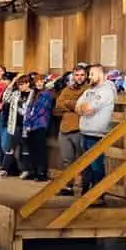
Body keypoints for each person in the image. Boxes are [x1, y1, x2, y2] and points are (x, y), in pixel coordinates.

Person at [75, 63, 117, 202]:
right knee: (86, 165)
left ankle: (98, 194)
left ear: (100, 73)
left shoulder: (106, 90)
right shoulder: (89, 90)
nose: (89, 77)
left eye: (92, 74)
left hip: (97, 133)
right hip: (85, 131)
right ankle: (86, 192)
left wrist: (84, 108)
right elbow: (78, 106)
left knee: (96, 165)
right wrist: (83, 108)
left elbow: (88, 109)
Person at [52, 62, 90, 194]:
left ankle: (86, 188)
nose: (79, 77)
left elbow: (85, 106)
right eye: (76, 75)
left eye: (82, 75)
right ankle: (68, 187)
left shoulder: (88, 89)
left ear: (86, 76)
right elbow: (58, 105)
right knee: (67, 160)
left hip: (80, 129)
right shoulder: (67, 89)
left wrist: (68, 104)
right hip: (64, 129)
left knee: (83, 161)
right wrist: (73, 105)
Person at [22, 72, 56, 181]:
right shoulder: (34, 94)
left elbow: (41, 110)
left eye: (41, 81)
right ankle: (34, 171)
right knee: (32, 149)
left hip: (40, 124)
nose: (39, 84)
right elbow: (28, 108)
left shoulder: (46, 94)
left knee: (40, 150)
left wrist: (30, 120)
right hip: (31, 125)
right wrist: (27, 122)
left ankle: (42, 173)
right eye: (37, 82)